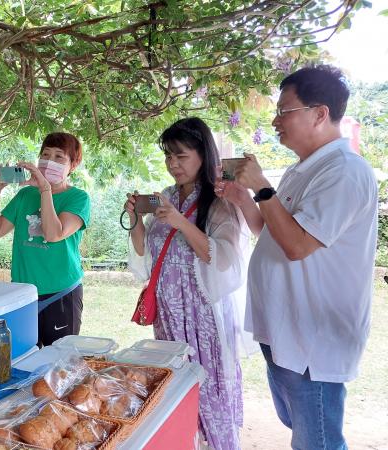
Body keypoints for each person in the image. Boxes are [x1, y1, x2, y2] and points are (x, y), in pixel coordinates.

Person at [234, 65, 378, 450]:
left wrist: (262, 187)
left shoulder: (344, 172)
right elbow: (272, 237)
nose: (275, 120)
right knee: (300, 426)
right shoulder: (302, 170)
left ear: (319, 113)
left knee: (318, 441)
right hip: (284, 328)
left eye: (285, 111)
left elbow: (298, 247)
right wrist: (242, 198)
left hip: (312, 338)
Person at [125, 117, 249, 450]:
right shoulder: (164, 197)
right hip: (167, 316)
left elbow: (223, 258)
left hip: (203, 320)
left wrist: (181, 222)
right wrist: (136, 217)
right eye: (168, 156)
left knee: (208, 395)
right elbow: (143, 250)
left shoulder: (221, 200)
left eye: (182, 155)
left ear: (203, 154)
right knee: (173, 394)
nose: (173, 164)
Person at [0, 132, 91, 347]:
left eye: (59, 157)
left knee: (59, 362)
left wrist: (45, 189)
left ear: (73, 165)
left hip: (60, 293)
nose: (50, 161)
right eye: (45, 154)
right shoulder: (25, 195)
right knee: (25, 360)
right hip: (23, 294)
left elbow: (54, 234)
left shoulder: (78, 198)